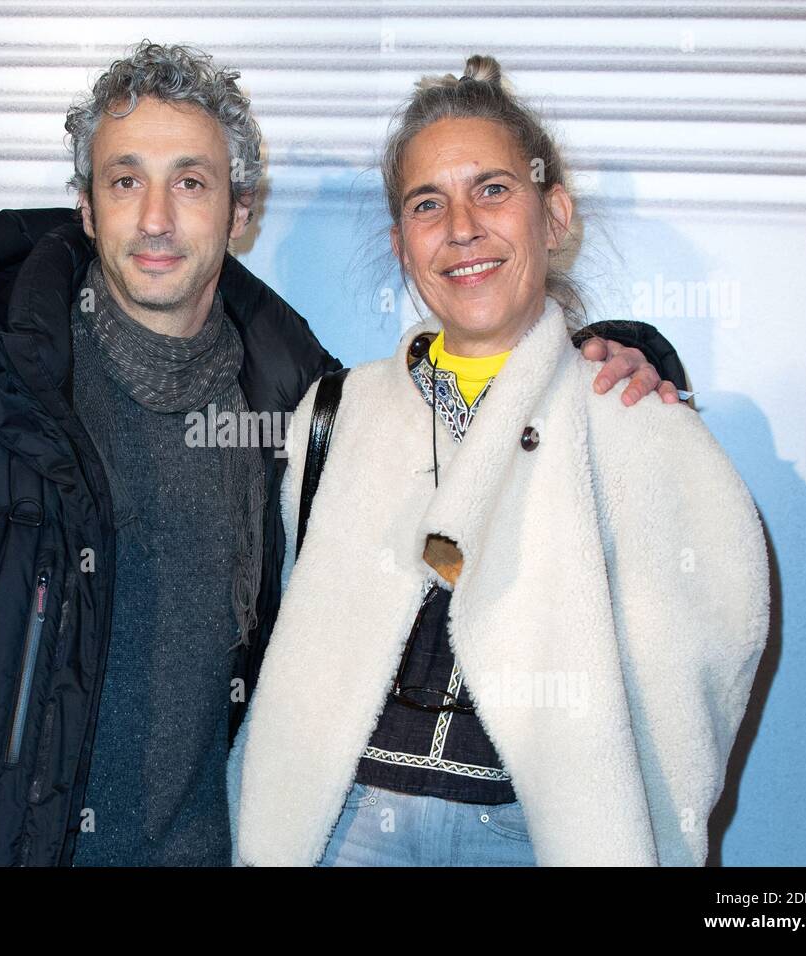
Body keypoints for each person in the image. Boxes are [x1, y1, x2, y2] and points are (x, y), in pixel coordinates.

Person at [0, 41, 682, 867]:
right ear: (85, 207)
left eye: (191, 182)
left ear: (241, 210)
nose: (156, 218)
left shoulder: (309, 414)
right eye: (126, 182)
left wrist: (617, 353)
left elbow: (479, 414)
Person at [227, 55, 770, 867]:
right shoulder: (333, 414)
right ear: (401, 243)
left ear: (553, 213)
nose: (461, 228)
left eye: (492, 189)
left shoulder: (633, 419)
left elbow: (706, 663)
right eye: (426, 203)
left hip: (528, 841)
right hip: (344, 833)